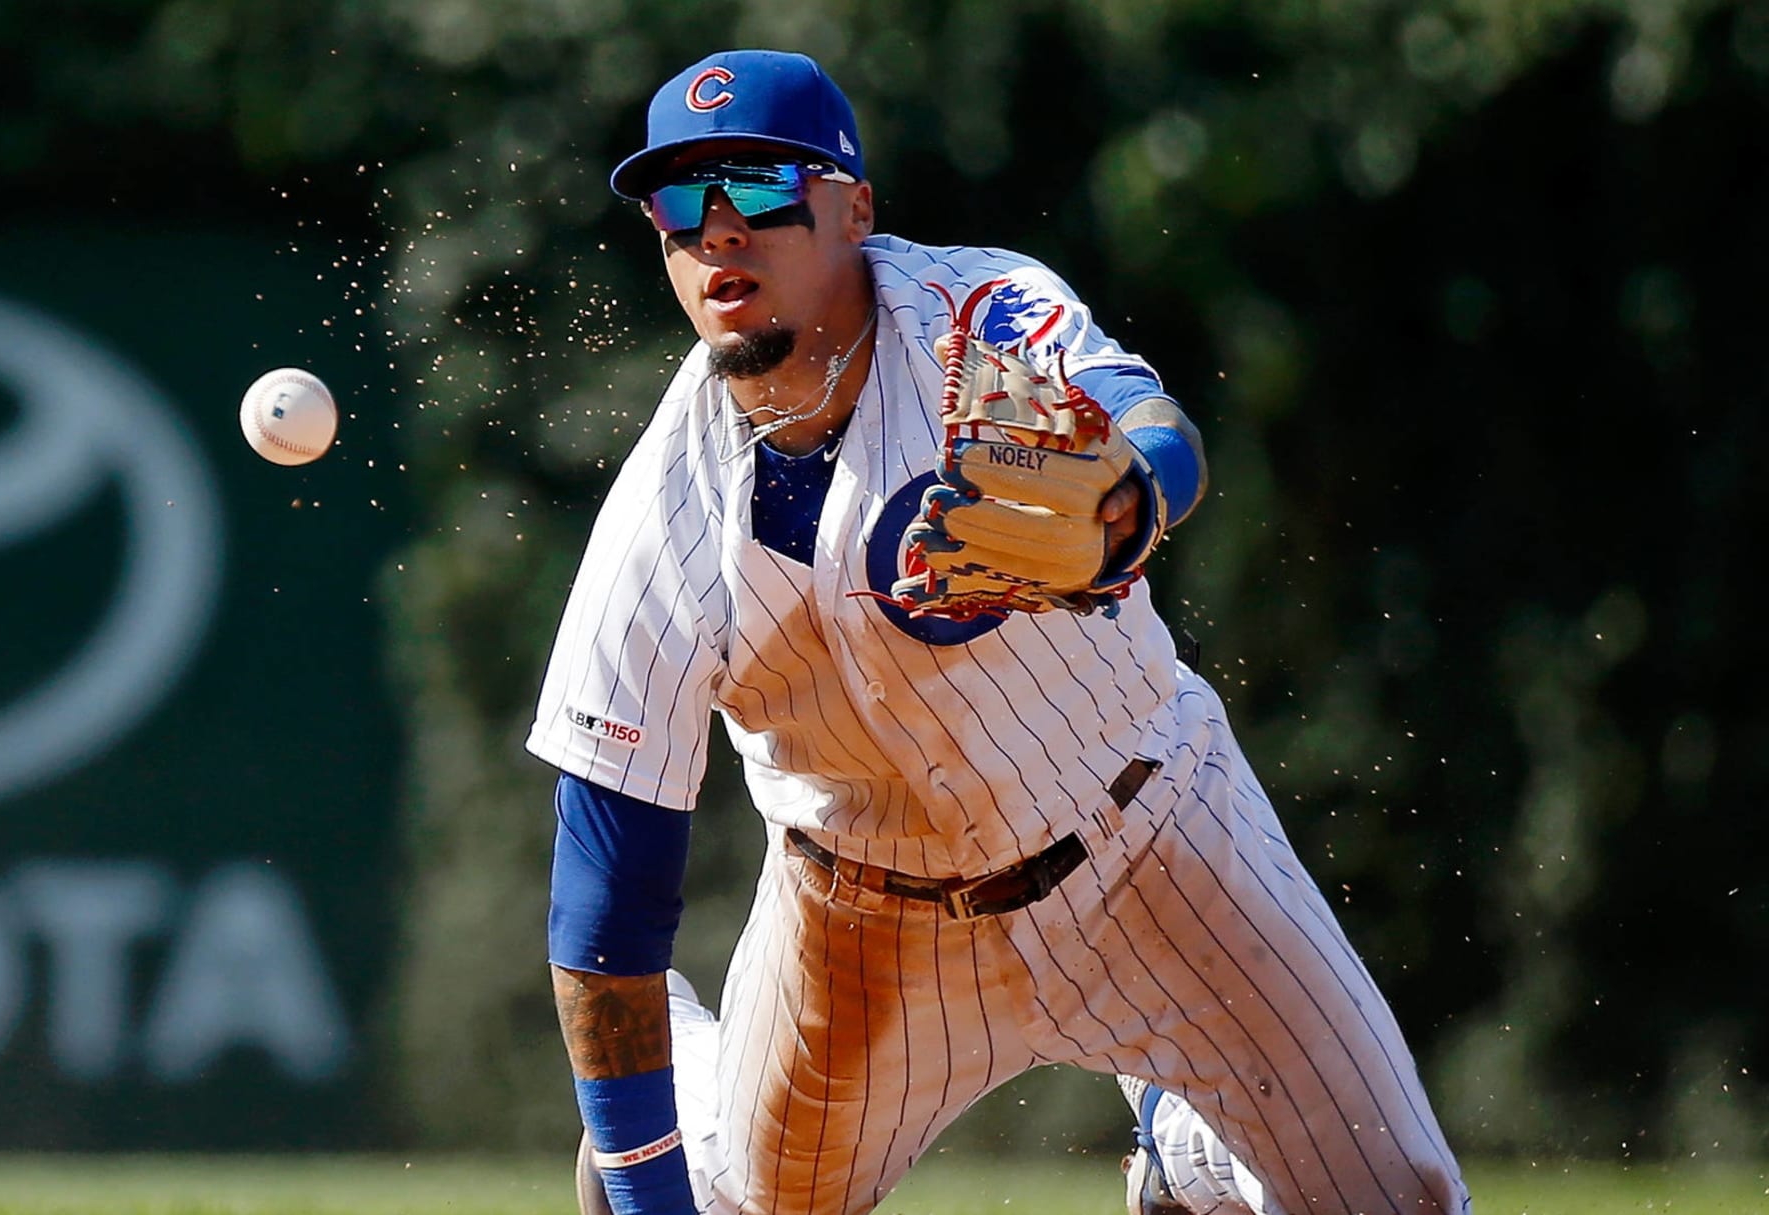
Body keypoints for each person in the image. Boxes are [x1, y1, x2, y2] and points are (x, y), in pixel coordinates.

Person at [525, 48, 1470, 1215]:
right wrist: (641, 1186)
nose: (719, 231)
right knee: (708, 1204)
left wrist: (1130, 500)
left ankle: (1195, 1148)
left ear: (855, 208)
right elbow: (602, 907)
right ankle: (693, 1113)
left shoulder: (975, 326)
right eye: (682, 201)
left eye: (761, 187)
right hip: (862, 932)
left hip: (1151, 836)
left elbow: (1153, 423)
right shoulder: (664, 525)